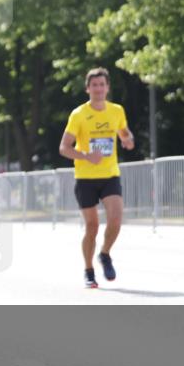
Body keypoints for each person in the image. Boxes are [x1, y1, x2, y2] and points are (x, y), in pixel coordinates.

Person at [59, 67, 135, 288]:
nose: (98, 89)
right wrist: (86, 156)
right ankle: (89, 270)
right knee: (92, 226)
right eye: (94, 85)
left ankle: (105, 253)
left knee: (116, 219)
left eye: (102, 85)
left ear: (107, 87)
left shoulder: (116, 111)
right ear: (88, 89)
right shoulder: (79, 114)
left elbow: (124, 132)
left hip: (110, 174)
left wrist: (128, 140)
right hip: (85, 178)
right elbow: (64, 147)